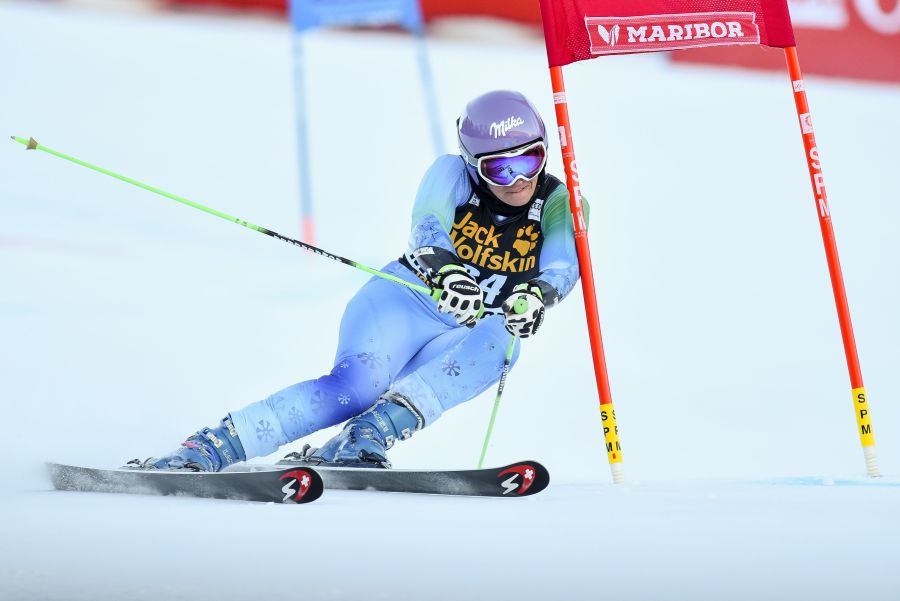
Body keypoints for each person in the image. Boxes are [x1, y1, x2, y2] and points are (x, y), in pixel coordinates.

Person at [143, 89, 586, 471]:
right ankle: (211, 446)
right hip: (404, 305)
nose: (519, 179)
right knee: (355, 389)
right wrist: (448, 271)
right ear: (473, 165)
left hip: (462, 330)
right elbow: (427, 226)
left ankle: (363, 437)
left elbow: (563, 266)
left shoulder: (558, 202)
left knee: (504, 343)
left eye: (530, 159)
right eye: (500, 169)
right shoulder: (451, 173)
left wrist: (536, 296)